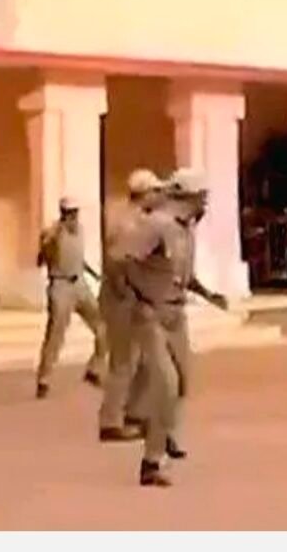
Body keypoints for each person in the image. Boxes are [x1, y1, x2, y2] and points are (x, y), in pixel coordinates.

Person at [123, 168, 228, 487]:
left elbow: (182, 274)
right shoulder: (157, 225)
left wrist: (208, 294)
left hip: (175, 313)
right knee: (166, 385)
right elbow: (125, 262)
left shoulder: (186, 230)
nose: (204, 204)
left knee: (182, 381)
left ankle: (162, 428)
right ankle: (151, 461)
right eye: (201, 197)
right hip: (151, 313)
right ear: (187, 196)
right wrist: (140, 296)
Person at [98, 169, 164, 441]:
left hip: (134, 297)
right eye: (155, 191)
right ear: (144, 193)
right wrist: (129, 291)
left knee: (145, 359)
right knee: (123, 362)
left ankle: (135, 412)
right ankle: (110, 420)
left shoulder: (139, 220)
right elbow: (117, 264)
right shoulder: (128, 223)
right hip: (121, 300)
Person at [35, 197, 108, 398]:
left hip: (79, 283)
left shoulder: (80, 231)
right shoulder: (52, 233)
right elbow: (40, 260)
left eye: (75, 213)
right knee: (56, 335)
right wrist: (48, 243)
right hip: (60, 285)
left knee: (102, 327)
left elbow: (78, 258)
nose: (73, 218)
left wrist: (94, 274)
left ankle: (94, 368)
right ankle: (44, 379)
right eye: (69, 214)